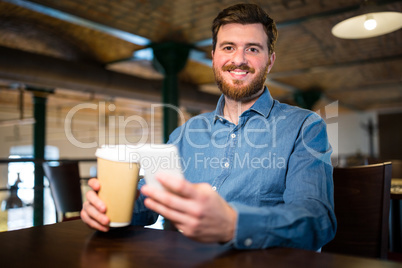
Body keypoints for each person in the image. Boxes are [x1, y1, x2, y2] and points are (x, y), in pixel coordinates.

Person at [81, 3, 336, 250]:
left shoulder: (305, 127)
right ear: (214, 57)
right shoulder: (184, 134)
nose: (239, 59)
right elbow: (147, 201)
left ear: (269, 61)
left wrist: (234, 224)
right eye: (228, 47)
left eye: (253, 49)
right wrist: (108, 208)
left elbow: (317, 220)